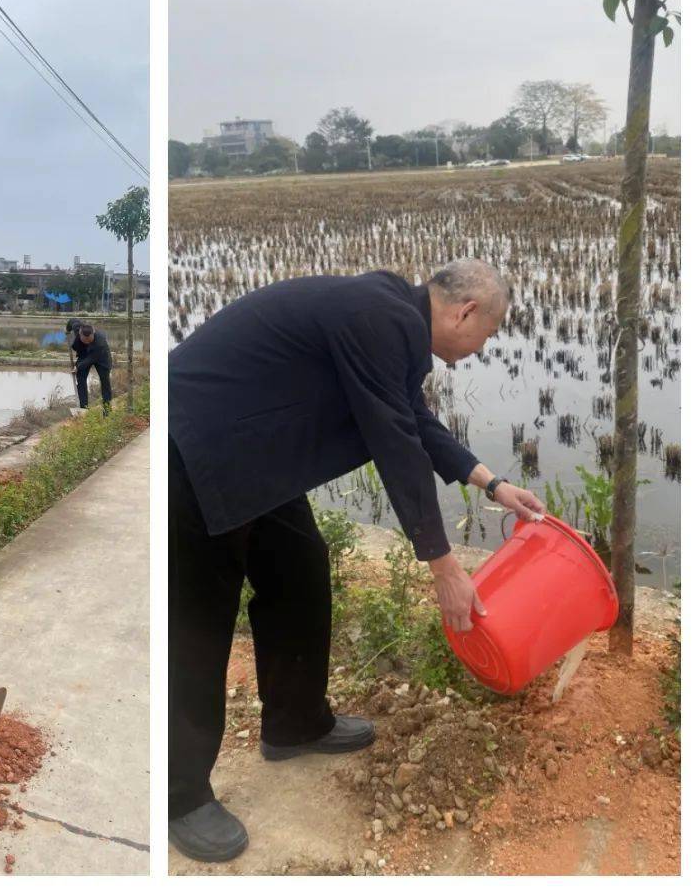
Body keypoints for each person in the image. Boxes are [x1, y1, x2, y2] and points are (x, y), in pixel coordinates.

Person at [167, 261, 546, 862]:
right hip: (196, 445)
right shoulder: (382, 317)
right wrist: (445, 567)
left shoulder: (391, 316)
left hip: (257, 453)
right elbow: (393, 441)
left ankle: (294, 722)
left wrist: (491, 482)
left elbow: (410, 416)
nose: (481, 348)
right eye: (487, 335)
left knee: (300, 573)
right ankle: (180, 794)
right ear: (465, 311)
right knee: (196, 624)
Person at [70, 322, 113, 414]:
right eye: (85, 341)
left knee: (105, 381)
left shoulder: (100, 342)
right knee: (80, 378)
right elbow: (72, 321)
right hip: (85, 354)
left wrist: (78, 366)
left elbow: (91, 359)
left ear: (93, 334)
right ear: (80, 334)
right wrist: (67, 330)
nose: (87, 342)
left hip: (101, 357)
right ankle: (84, 408)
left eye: (89, 341)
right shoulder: (77, 327)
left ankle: (107, 410)